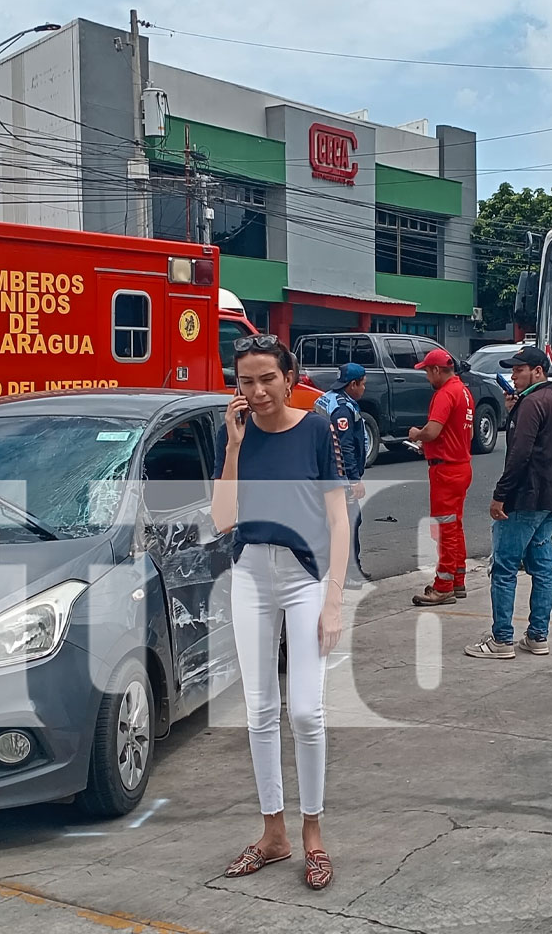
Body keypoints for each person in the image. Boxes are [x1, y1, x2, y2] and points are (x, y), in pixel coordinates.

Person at [212, 333, 350, 891]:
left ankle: (313, 833)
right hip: (249, 574)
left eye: (268, 377)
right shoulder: (240, 438)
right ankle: (274, 834)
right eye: (247, 381)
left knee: (306, 714)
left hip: (304, 578)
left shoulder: (317, 429)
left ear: (289, 377)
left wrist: (334, 597)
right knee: (258, 709)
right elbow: (223, 519)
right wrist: (231, 447)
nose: (259, 389)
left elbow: (339, 519)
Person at [465, 346, 552, 659]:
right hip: (548, 496)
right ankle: (538, 635)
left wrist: (501, 494)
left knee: (504, 568)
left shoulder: (532, 403)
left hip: (524, 497)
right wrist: (514, 411)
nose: (514, 375)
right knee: (542, 569)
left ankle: (501, 639)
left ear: (538, 371)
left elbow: (519, 454)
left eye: (519, 369)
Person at [408, 347, 475, 606]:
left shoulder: (445, 394)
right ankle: (458, 579)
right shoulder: (464, 392)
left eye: (427, 371)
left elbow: (433, 430)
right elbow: (461, 434)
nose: (427, 376)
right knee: (455, 526)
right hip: (461, 465)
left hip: (445, 469)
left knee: (445, 529)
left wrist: (417, 434)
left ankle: (444, 585)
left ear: (437, 370)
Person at [326, 362, 370, 587]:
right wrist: (354, 480)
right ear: (353, 384)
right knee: (350, 521)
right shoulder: (343, 409)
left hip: (325, 474)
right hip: (340, 476)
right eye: (362, 385)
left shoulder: (327, 398)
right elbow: (345, 447)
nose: (364, 389)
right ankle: (350, 573)